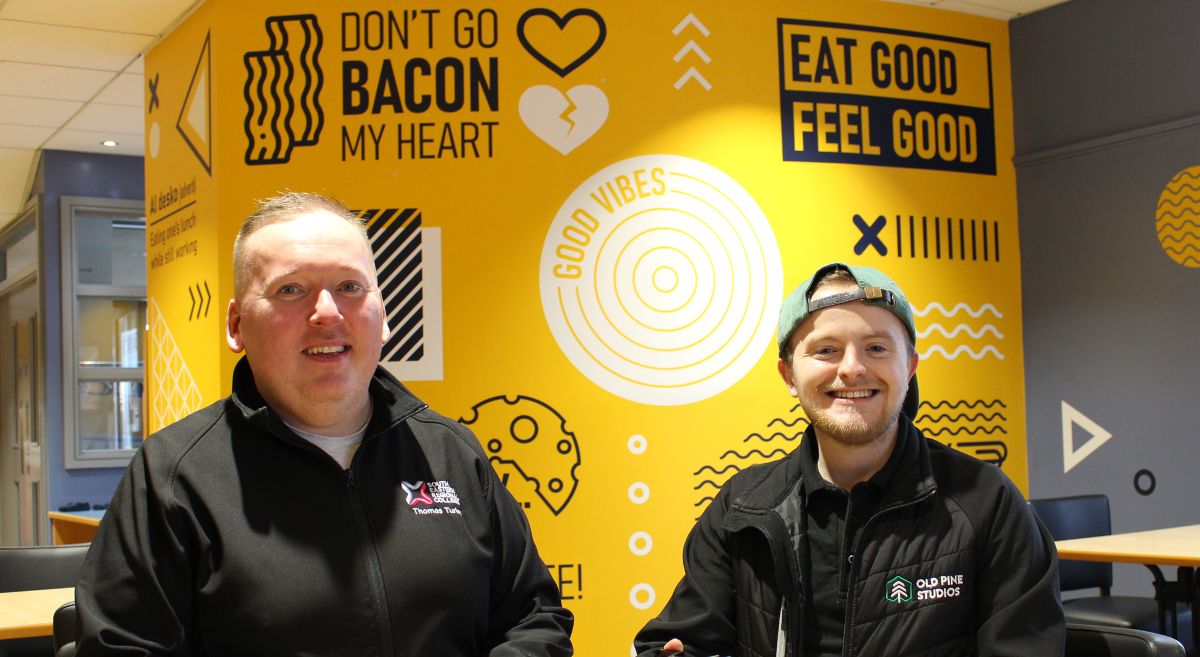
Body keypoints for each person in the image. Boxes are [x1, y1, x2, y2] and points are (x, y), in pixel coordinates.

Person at [75, 192, 574, 657]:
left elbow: (534, 618)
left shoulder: (449, 451)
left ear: (384, 315)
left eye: (350, 287)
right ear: (236, 326)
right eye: (291, 290)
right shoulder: (172, 479)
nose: (327, 312)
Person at [633, 263, 1063, 657]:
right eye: (826, 351)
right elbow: (679, 639)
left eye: (876, 347)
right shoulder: (742, 507)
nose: (852, 369)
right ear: (788, 375)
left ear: (910, 367)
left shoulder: (986, 502)